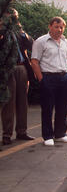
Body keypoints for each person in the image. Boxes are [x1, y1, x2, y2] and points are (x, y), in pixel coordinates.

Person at [31, 17, 67, 146]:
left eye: (61, 27)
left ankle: (60, 134)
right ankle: (48, 136)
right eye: (56, 26)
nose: (59, 29)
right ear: (50, 26)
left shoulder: (66, 42)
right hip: (48, 78)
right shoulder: (41, 42)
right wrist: (42, 80)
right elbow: (34, 61)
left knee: (63, 108)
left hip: (64, 78)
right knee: (47, 108)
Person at [1, 9, 35, 145]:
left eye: (16, 17)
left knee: (22, 101)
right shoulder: (3, 31)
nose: (14, 19)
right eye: (12, 16)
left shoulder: (19, 32)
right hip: (7, 68)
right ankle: (7, 134)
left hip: (21, 67)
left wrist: (22, 32)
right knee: (9, 102)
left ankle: (22, 131)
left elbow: (31, 43)